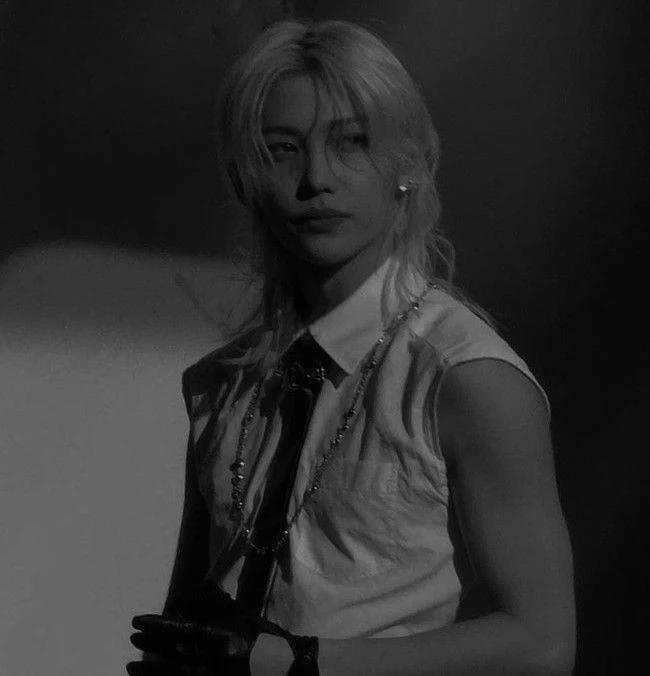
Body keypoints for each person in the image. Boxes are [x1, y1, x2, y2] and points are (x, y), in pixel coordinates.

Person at [128, 18, 576, 676]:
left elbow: (542, 643)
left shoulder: (463, 376)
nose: (317, 177)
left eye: (351, 143)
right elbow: (188, 618)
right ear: (244, 176)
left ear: (409, 163)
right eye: (283, 149)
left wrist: (300, 662)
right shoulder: (223, 384)